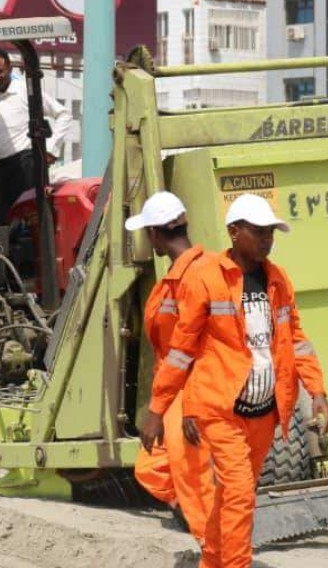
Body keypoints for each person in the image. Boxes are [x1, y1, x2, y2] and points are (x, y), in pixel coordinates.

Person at [140, 193, 328, 568]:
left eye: (271, 233)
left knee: (231, 496)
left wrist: (318, 391)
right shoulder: (207, 280)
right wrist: (158, 408)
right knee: (241, 494)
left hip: (263, 411)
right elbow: (181, 351)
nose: (267, 240)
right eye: (258, 232)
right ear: (234, 231)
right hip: (220, 409)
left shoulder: (277, 280)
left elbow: (296, 339)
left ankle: (212, 563)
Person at [125, 191, 213, 548]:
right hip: (178, 394)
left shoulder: (194, 279)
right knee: (153, 468)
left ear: (157, 236)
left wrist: (164, 410)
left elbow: (188, 352)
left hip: (192, 396)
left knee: (197, 486)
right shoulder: (187, 274)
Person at [0, 45, 71, 207]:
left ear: (9, 68)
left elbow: (63, 114)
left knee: (27, 211)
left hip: (23, 164)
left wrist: (51, 149)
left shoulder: (25, 91)